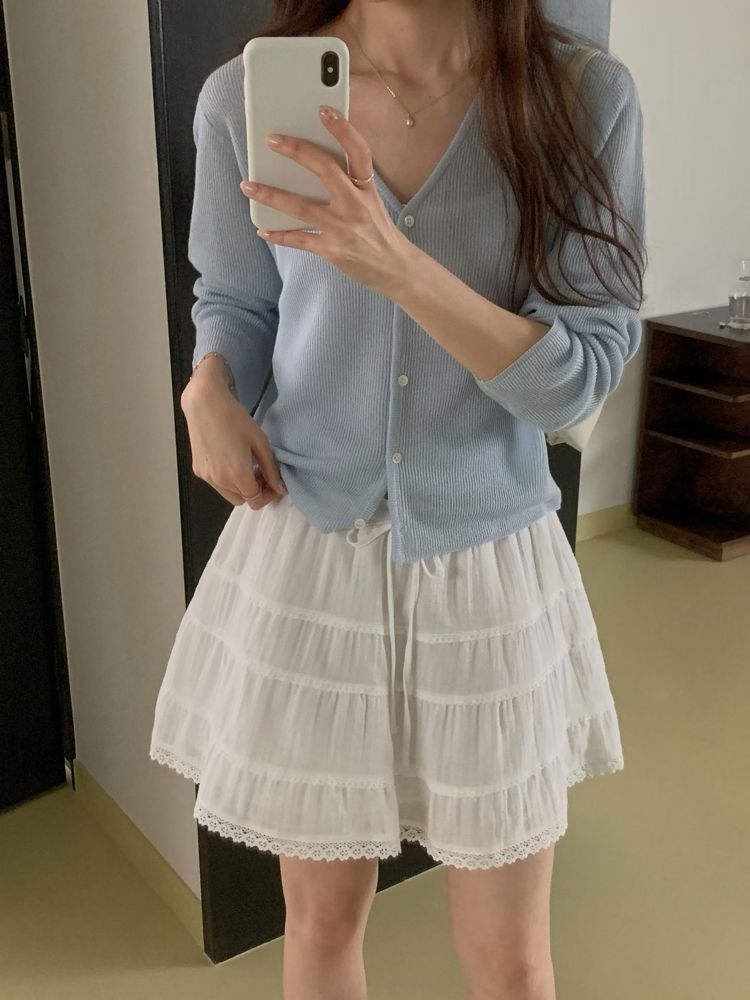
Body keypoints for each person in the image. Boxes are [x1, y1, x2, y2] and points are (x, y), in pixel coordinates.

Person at [150, 1, 647, 997]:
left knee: (510, 961)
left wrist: (402, 268)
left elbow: (580, 376)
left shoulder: (579, 97)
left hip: (486, 563)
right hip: (311, 559)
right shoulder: (244, 99)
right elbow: (238, 302)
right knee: (320, 923)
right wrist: (209, 386)